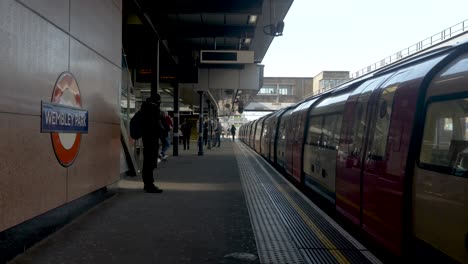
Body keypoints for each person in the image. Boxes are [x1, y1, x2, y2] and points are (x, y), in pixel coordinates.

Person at [141, 95, 163, 193]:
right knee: (150, 163)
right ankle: (149, 185)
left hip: (148, 139)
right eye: (159, 101)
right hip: (151, 139)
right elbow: (154, 126)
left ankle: (148, 184)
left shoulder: (146, 109)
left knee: (148, 162)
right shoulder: (151, 110)